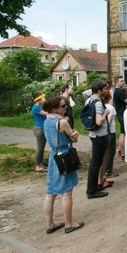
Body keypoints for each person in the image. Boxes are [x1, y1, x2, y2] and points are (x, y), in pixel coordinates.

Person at [42, 97, 84, 234]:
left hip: (53, 156)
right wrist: (75, 134)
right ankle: (69, 223)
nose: (65, 108)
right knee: (67, 192)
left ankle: (50, 224)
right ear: (55, 109)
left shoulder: (46, 121)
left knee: (51, 192)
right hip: (65, 155)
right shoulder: (62, 122)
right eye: (63, 106)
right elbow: (73, 138)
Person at [85, 80, 109, 199]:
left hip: (93, 134)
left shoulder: (88, 100)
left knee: (95, 162)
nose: (106, 91)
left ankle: (93, 186)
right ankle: (92, 191)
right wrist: (106, 113)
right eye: (104, 89)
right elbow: (99, 121)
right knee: (96, 163)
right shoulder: (98, 103)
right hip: (100, 135)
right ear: (99, 90)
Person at [101, 89, 117, 183]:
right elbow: (109, 121)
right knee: (111, 151)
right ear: (109, 97)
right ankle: (108, 171)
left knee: (105, 152)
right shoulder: (110, 108)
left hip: (104, 133)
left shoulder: (101, 106)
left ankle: (105, 171)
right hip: (110, 131)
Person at [112, 76, 127, 161]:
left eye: (123, 80)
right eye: (121, 81)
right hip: (122, 114)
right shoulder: (119, 92)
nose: (123, 82)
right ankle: (123, 154)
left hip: (122, 114)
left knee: (123, 133)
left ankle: (119, 150)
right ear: (116, 82)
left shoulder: (121, 91)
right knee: (123, 134)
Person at [31, 92, 48, 172]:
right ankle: (38, 165)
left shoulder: (39, 107)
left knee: (42, 147)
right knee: (40, 148)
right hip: (39, 129)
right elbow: (47, 114)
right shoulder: (36, 108)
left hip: (41, 128)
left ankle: (40, 164)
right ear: (39, 99)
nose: (44, 99)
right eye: (43, 98)